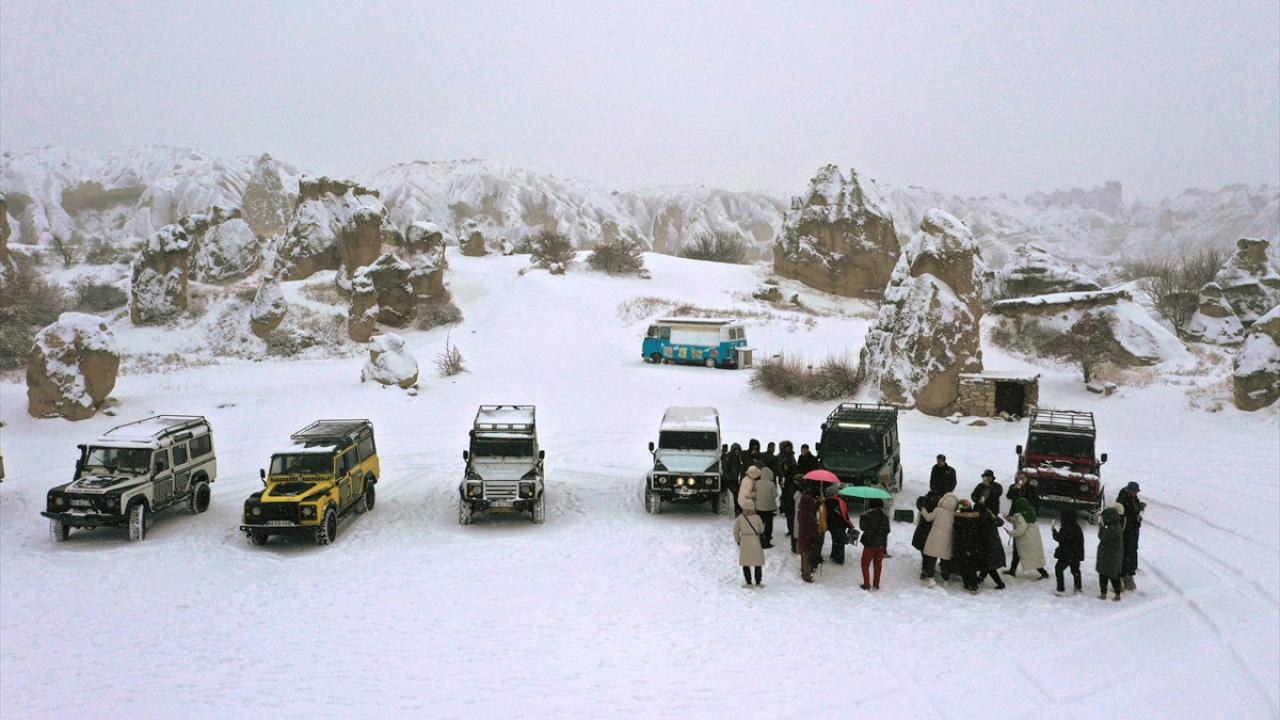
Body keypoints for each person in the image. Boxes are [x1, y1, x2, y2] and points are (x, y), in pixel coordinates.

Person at [920, 490, 959, 587]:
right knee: (945, 561)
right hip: (946, 539)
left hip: (935, 537)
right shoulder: (954, 514)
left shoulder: (938, 510)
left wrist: (923, 510)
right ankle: (946, 579)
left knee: (932, 559)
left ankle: (930, 578)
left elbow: (928, 518)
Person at [1005, 498, 1050, 580]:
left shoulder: (1021, 515)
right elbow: (1019, 521)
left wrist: (1010, 533)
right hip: (1033, 539)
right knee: (1020, 555)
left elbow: (1020, 529)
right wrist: (1010, 519)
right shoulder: (1030, 511)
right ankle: (1012, 570)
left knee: (1031, 557)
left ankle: (1044, 573)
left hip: (1026, 541)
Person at [1116, 482, 1145, 592]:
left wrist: (1139, 508)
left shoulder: (1132, 497)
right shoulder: (1122, 500)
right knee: (1126, 552)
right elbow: (1124, 515)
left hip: (1132, 530)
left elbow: (1134, 509)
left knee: (1132, 550)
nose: (1135, 494)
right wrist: (1135, 516)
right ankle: (1124, 576)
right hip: (1126, 531)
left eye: (1136, 492)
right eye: (1134, 492)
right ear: (1129, 490)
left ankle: (1130, 572)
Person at [951, 499, 984, 592]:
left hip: (961, 545)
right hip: (973, 545)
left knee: (964, 565)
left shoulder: (957, 517)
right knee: (972, 565)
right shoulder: (975, 516)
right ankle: (973, 584)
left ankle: (967, 583)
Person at [733, 499, 766, 588]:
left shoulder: (740, 518)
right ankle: (758, 582)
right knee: (757, 562)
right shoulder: (757, 517)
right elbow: (762, 529)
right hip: (755, 540)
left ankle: (748, 582)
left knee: (746, 563)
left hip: (744, 540)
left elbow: (735, 530)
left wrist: (738, 540)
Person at [859, 499, 890, 590]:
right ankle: (876, 584)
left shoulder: (867, 515)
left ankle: (867, 584)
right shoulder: (884, 517)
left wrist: (863, 517)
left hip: (870, 544)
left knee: (865, 564)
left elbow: (863, 527)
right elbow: (887, 530)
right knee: (878, 565)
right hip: (880, 544)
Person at [1052, 508, 1085, 595]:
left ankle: (1060, 588)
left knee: (1058, 568)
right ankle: (1078, 588)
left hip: (1066, 554)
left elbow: (1059, 538)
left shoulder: (1066, 527)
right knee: (1075, 570)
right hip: (1076, 553)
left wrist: (1054, 531)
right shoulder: (1077, 527)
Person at [1096, 506, 1125, 601]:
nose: (1103, 519)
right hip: (1110, 557)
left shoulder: (1113, 528)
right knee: (1113, 575)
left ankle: (1108, 594)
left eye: (1104, 518)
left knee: (1107, 575)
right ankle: (1114, 594)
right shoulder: (1116, 526)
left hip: (1109, 557)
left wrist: (1101, 528)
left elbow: (1103, 537)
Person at [975, 503, 1007, 589]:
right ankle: (981, 577)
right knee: (987, 564)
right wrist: (993, 514)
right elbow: (1001, 522)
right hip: (995, 544)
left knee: (989, 566)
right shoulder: (990, 516)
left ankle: (1000, 584)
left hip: (987, 546)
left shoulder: (980, 519)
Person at [912, 490, 941, 579]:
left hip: (923, 531)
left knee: (924, 550)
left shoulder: (924, 502)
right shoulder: (939, 506)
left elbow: (919, 502)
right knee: (931, 552)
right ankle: (928, 569)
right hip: (933, 531)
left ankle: (926, 569)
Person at [796, 485, 820, 583]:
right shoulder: (809, 516)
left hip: (802, 537)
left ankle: (803, 571)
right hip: (807, 538)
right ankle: (806, 575)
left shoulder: (801, 512)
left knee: (803, 555)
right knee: (807, 557)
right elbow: (813, 528)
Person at [823, 489, 852, 564]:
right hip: (840, 525)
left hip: (831, 525)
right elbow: (844, 514)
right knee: (840, 543)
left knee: (835, 540)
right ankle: (839, 559)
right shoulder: (841, 501)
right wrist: (849, 523)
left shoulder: (825, 501)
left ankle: (833, 556)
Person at [753, 463, 778, 548]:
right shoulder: (771, 484)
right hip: (769, 508)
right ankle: (767, 540)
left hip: (759, 507)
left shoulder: (757, 483)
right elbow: (775, 495)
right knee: (768, 524)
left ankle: (759, 539)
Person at [777, 441, 797, 543]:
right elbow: (778, 469)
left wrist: (789, 470)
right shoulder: (780, 457)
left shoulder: (791, 457)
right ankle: (791, 529)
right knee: (789, 509)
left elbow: (794, 469)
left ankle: (792, 529)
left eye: (789, 447)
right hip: (785, 483)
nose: (788, 449)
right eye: (786, 447)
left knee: (791, 509)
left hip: (791, 484)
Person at [724, 443, 743, 513]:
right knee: (736, 494)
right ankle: (737, 510)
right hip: (730, 480)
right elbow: (725, 470)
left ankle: (738, 510)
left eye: (738, 450)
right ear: (733, 450)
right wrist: (730, 479)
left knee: (737, 494)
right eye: (736, 450)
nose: (737, 451)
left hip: (734, 480)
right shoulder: (729, 457)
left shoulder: (737, 457)